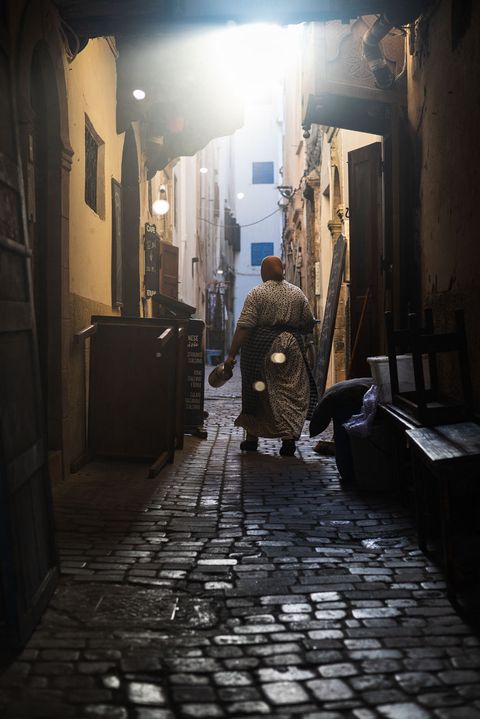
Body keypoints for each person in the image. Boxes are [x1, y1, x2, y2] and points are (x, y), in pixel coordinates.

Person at [224, 256, 317, 456]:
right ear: (282, 270)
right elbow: (308, 323)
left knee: (257, 389)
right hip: (292, 347)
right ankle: (289, 438)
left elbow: (244, 327)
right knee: (290, 391)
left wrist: (231, 355)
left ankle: (251, 438)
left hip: (262, 348)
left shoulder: (257, 293)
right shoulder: (297, 293)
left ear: (263, 272)